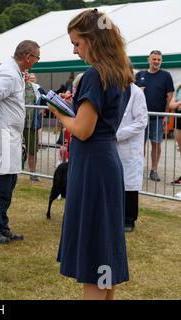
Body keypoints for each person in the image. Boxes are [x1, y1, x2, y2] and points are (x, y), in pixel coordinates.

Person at [47, 8, 134, 300]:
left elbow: (83, 129)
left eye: (77, 43)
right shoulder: (120, 71)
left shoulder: (95, 75)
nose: (74, 50)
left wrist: (58, 113)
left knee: (95, 253)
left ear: (93, 39)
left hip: (93, 165)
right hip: (106, 162)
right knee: (104, 247)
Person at [0, 40, 40, 244]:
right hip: (2, 137)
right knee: (1, 186)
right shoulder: (8, 74)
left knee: (8, 183)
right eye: (36, 58)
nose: (36, 62)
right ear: (28, 57)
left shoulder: (11, 71)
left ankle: (1, 225)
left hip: (9, 136)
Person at [135, 50, 174, 182]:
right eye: (154, 59)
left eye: (159, 60)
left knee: (156, 144)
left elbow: (169, 96)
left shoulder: (166, 75)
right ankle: (139, 169)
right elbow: (132, 94)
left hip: (157, 117)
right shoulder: (140, 75)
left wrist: (166, 115)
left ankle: (154, 170)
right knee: (140, 144)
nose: (156, 62)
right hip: (140, 117)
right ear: (148, 60)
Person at [116, 83, 148, 233]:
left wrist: (119, 134)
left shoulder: (136, 93)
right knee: (115, 183)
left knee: (129, 185)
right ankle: (115, 216)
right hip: (113, 145)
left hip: (129, 146)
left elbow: (141, 121)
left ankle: (129, 219)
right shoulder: (113, 90)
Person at [23, 71, 46, 181]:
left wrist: (42, 109)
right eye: (25, 73)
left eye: (28, 74)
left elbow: (46, 99)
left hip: (31, 124)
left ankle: (32, 173)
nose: (27, 76)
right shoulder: (15, 86)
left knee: (32, 150)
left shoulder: (37, 88)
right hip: (15, 124)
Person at [169, 84, 181, 185]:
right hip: (179, 122)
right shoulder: (179, 88)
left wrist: (177, 103)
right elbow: (171, 105)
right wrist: (179, 103)